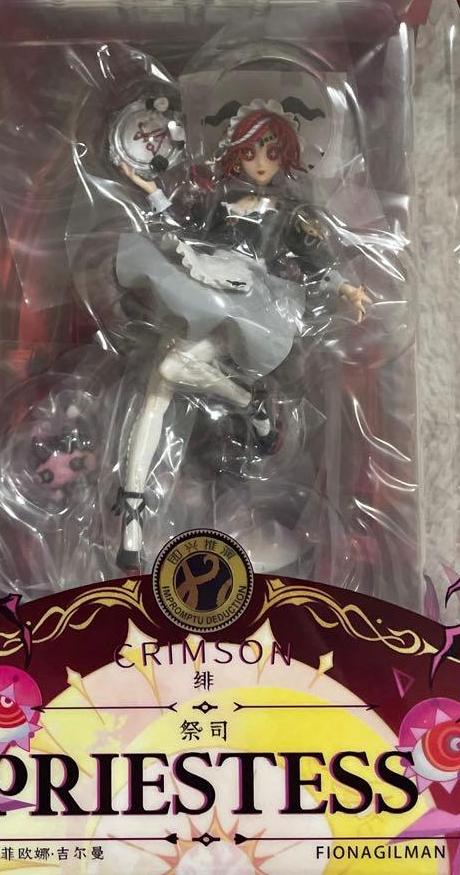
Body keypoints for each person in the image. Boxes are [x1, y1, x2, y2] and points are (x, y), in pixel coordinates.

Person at [112, 99, 370, 570]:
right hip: (206, 287)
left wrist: (347, 287)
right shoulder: (221, 203)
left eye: (271, 152)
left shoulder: (290, 212)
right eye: (251, 153)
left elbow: (316, 260)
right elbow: (187, 232)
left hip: (254, 306)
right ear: (237, 155)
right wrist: (152, 191)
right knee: (157, 385)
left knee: (169, 368)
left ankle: (248, 401)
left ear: (285, 155)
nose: (261, 163)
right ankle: (132, 524)